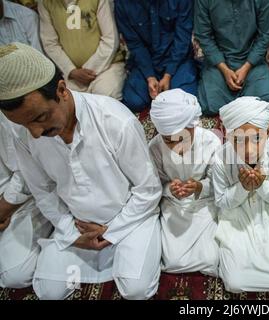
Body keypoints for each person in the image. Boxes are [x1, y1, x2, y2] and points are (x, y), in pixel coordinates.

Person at [0, 42, 163, 300]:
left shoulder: (115, 120)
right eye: (23, 124)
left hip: (128, 219)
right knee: (50, 293)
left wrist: (113, 230)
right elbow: (42, 191)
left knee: (136, 289)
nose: (35, 132)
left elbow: (148, 189)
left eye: (40, 118)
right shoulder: (25, 135)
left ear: (62, 90)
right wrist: (69, 231)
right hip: (77, 226)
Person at [213, 97, 269, 292]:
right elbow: (221, 202)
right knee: (234, 283)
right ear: (227, 135)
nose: (249, 149)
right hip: (236, 220)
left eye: (257, 138)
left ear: (267, 133)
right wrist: (242, 188)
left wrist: (262, 186)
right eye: (238, 140)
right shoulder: (221, 158)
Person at [149, 89, 220, 276]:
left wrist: (198, 187)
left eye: (181, 139)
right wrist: (169, 190)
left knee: (211, 259)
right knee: (173, 262)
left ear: (193, 126)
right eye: (168, 141)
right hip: (173, 205)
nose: (175, 146)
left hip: (203, 203)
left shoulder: (211, 142)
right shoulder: (155, 148)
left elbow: (218, 183)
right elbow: (153, 184)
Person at [194, 0, 269, 115]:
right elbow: (203, 36)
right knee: (210, 106)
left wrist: (246, 67)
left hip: (252, 60)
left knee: (265, 100)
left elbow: (266, 34)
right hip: (219, 62)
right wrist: (224, 69)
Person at [115, 0, 198, 113]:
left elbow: (182, 38)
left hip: (178, 60)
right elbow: (135, 43)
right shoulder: (123, 4)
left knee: (184, 101)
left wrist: (168, 74)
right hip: (146, 62)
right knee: (133, 102)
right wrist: (150, 76)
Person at [0, 113, 52, 289]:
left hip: (16, 201)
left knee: (15, 275)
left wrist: (3, 208)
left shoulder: (7, 113)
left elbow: (24, 171)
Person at [38, 0, 126, 100]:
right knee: (67, 103)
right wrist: (71, 71)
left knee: (104, 98)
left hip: (107, 67)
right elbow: (50, 44)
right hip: (72, 75)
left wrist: (87, 71)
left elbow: (111, 39)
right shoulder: (45, 3)